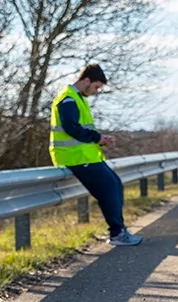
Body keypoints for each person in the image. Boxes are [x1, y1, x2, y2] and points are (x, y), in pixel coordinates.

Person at [49, 63, 142, 246]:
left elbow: (81, 129)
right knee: (109, 188)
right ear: (86, 80)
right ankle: (117, 234)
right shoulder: (68, 99)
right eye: (96, 87)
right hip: (74, 156)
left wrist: (99, 138)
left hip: (85, 155)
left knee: (114, 184)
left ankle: (119, 230)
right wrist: (97, 138)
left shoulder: (77, 98)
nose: (96, 91)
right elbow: (71, 128)